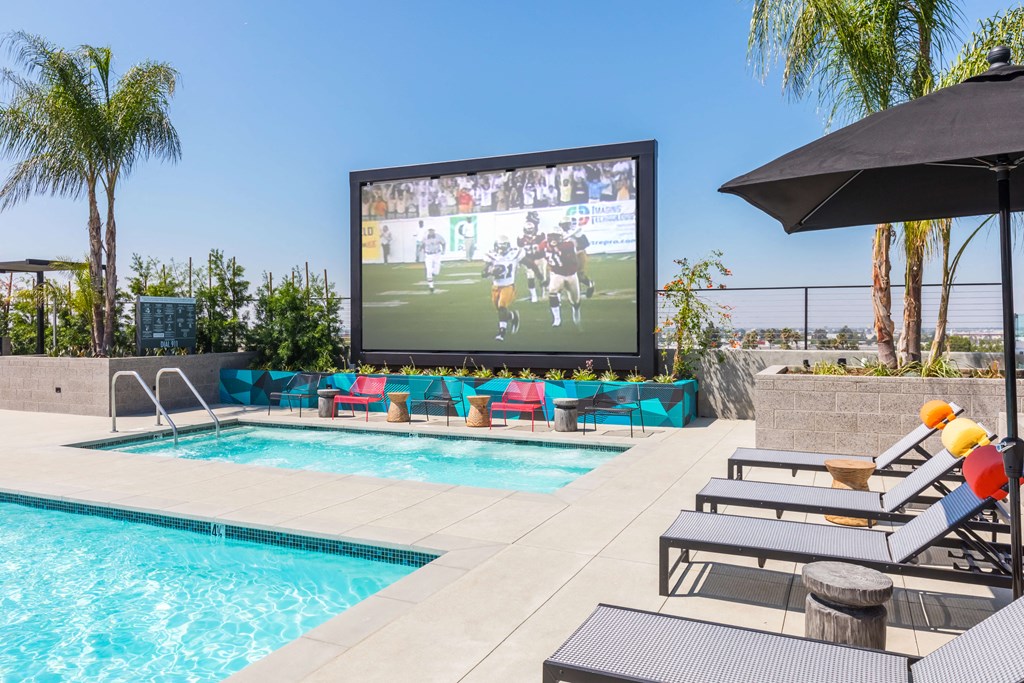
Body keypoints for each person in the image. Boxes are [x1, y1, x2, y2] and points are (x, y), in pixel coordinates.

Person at [482, 236, 523, 341]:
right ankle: (513, 316)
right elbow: (483, 273)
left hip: (508, 285)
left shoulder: (514, 254)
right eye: (500, 246)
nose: (501, 248)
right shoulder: (492, 256)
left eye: (503, 246)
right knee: (500, 310)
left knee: (502, 306)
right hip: (496, 286)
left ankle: (502, 331)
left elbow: (528, 262)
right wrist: (490, 272)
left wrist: (538, 274)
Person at [544, 229, 581, 328]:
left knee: (575, 300)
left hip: (571, 274)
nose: (553, 239)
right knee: (552, 291)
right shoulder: (545, 245)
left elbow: (566, 254)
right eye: (551, 236)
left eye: (555, 236)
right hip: (557, 273)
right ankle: (557, 318)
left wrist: (557, 247)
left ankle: (576, 310)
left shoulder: (568, 245)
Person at [559, 217, 595, 298]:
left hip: (579, 254)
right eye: (564, 225)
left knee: (579, 275)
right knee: (567, 274)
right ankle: (574, 292)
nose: (565, 226)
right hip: (567, 257)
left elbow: (586, 243)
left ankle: (590, 284)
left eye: (566, 224)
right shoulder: (560, 234)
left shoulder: (575, 232)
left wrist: (575, 249)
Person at [517, 211, 547, 303]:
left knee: (543, 276)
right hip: (529, 260)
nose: (529, 231)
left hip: (540, 259)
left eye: (531, 229)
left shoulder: (540, 236)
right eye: (528, 230)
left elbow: (544, 248)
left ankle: (544, 293)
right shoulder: (521, 239)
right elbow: (520, 251)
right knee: (530, 277)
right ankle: (534, 295)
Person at [422, 226, 446, 293]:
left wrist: (444, 250)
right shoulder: (425, 237)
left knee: (436, 272)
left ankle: (433, 274)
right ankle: (431, 286)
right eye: (430, 230)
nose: (431, 232)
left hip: (437, 254)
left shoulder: (438, 236)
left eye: (432, 230)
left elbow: (443, 243)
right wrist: (423, 250)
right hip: (428, 254)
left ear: (434, 231)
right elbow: (423, 244)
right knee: (428, 270)